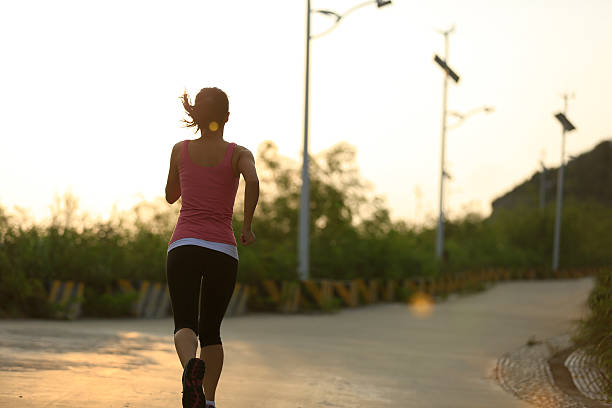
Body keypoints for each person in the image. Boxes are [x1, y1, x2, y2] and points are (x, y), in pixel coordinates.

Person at [165, 87, 259, 408]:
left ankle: (190, 367)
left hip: (184, 245)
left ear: (196, 115)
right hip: (222, 250)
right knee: (212, 331)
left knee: (185, 323)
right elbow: (253, 181)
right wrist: (246, 226)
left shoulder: (180, 149)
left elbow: (170, 195)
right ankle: (208, 400)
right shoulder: (239, 153)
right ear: (227, 117)